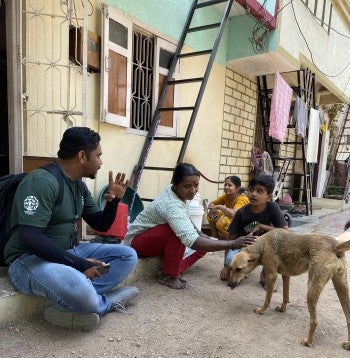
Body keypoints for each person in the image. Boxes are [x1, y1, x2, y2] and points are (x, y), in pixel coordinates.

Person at [4, 127, 139, 331]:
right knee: (78, 284)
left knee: (128, 255)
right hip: (28, 259)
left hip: (70, 251)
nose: (101, 162)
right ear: (82, 156)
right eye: (98, 155)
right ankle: (103, 303)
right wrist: (79, 263)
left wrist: (114, 201)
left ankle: (81, 300)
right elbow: (29, 238)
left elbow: (100, 224)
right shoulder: (41, 181)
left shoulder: (78, 185)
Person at [124, 163, 256, 290]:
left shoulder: (177, 193)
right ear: (175, 185)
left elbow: (184, 217)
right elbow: (190, 238)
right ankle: (168, 275)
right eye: (187, 186)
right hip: (137, 241)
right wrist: (231, 243)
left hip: (155, 238)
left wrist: (200, 233)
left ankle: (175, 270)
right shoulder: (171, 204)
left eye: (196, 185)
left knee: (205, 242)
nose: (193, 190)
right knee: (182, 236)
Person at [222, 174, 288, 287]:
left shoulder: (273, 208)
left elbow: (285, 232)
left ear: (269, 197)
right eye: (251, 190)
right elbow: (231, 239)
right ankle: (240, 270)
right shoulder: (241, 212)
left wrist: (262, 226)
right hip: (244, 247)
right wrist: (226, 267)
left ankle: (265, 273)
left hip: (266, 246)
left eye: (259, 191)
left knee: (281, 246)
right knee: (229, 260)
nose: (253, 194)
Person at [207, 176, 250, 280]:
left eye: (229, 185)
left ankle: (228, 242)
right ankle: (219, 239)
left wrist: (221, 207)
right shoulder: (226, 196)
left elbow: (235, 214)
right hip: (235, 225)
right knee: (212, 215)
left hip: (245, 227)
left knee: (224, 221)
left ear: (238, 187)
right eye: (225, 185)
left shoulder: (242, 199)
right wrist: (216, 209)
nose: (226, 187)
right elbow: (211, 205)